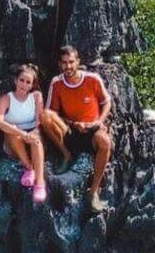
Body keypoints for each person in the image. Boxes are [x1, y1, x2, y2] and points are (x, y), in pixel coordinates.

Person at [42, 45, 114, 215]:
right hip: (71, 130)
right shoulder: (57, 83)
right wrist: (73, 124)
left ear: (78, 62)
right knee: (45, 115)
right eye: (64, 63)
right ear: (60, 64)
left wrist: (98, 122)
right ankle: (66, 155)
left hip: (92, 129)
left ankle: (94, 191)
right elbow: (52, 113)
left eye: (71, 62)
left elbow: (106, 102)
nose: (68, 67)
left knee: (104, 141)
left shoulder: (92, 79)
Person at [0, 64, 48, 204]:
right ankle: (29, 167)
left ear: (32, 85)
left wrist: (33, 133)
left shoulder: (36, 96)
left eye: (28, 82)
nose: (24, 84)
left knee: (36, 139)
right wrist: (21, 133)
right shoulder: (6, 98)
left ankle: (40, 183)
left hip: (32, 140)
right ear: (15, 81)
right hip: (14, 143)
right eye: (22, 80)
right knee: (11, 131)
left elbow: (39, 120)